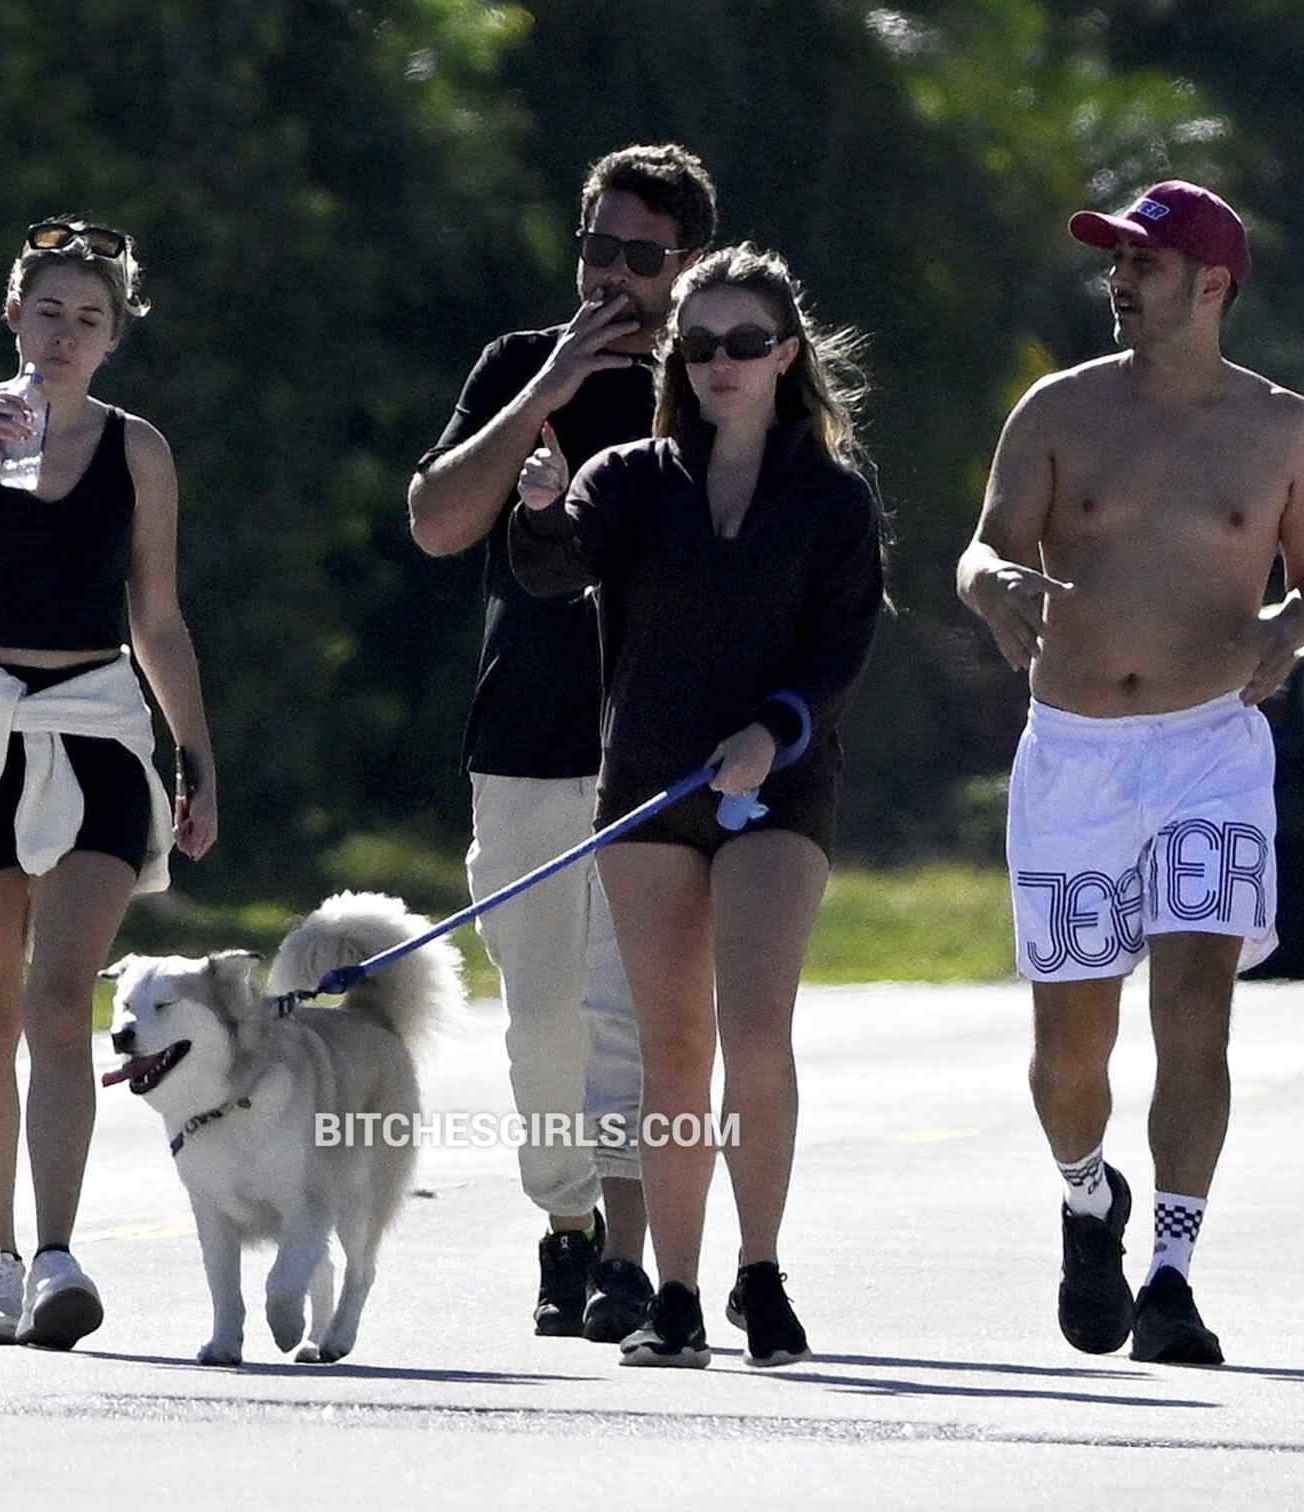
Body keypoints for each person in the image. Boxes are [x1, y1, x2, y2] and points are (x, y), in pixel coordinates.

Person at [957, 181, 1304, 1365]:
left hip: (1207, 749)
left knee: (1194, 1011)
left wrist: (1291, 629)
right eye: (1115, 261)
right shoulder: (1058, 408)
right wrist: (992, 586)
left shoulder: (1285, 429)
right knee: (1071, 1049)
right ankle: (1089, 1199)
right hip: (1074, 754)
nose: (1119, 280)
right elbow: (982, 545)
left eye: (1145, 262)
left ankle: (1172, 1276)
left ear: (1212, 284)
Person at [509, 243, 885, 1368]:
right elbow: (552, 567)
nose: (721, 364)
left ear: (786, 356)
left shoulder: (831, 497)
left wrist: (773, 730)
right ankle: (673, 1292)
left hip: (779, 784)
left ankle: (758, 1272)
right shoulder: (627, 477)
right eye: (700, 345)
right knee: (673, 1045)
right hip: (650, 790)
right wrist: (540, 507)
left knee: (754, 1027)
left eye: (745, 344)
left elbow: (840, 648)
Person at [0, 216, 217, 1349]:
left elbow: (158, 618)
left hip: (94, 726)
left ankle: (58, 1254)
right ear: (13, 315)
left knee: (59, 1002)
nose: (64, 336)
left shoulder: (138, 451)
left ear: (113, 338)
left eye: (89, 319)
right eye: (48, 312)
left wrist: (195, 757)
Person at [407, 144, 717, 1341]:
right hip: (526, 734)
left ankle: (631, 1261)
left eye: (641, 256)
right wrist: (545, 387)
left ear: (686, 264)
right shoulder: (516, 367)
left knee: (628, 1011)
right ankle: (567, 1228)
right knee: (540, 1014)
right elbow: (437, 524)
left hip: (662, 747)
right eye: (596, 247)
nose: (611, 277)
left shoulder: (715, 379)